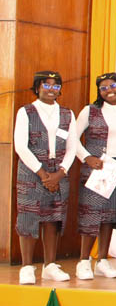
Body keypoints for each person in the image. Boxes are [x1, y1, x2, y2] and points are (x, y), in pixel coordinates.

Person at [14, 71, 79, 284]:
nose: (51, 89)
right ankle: (26, 266)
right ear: (37, 88)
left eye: (56, 85)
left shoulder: (68, 114)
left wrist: (59, 174)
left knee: (54, 218)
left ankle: (50, 265)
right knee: (29, 217)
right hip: (32, 172)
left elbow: (72, 147)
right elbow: (21, 147)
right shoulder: (26, 112)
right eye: (46, 85)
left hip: (59, 173)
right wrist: (43, 175)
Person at [74, 72, 116, 280]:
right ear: (99, 92)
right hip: (95, 169)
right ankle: (83, 261)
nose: (109, 90)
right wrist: (86, 157)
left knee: (109, 216)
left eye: (113, 86)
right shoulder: (90, 111)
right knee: (91, 214)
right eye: (104, 88)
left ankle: (102, 261)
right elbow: (73, 137)